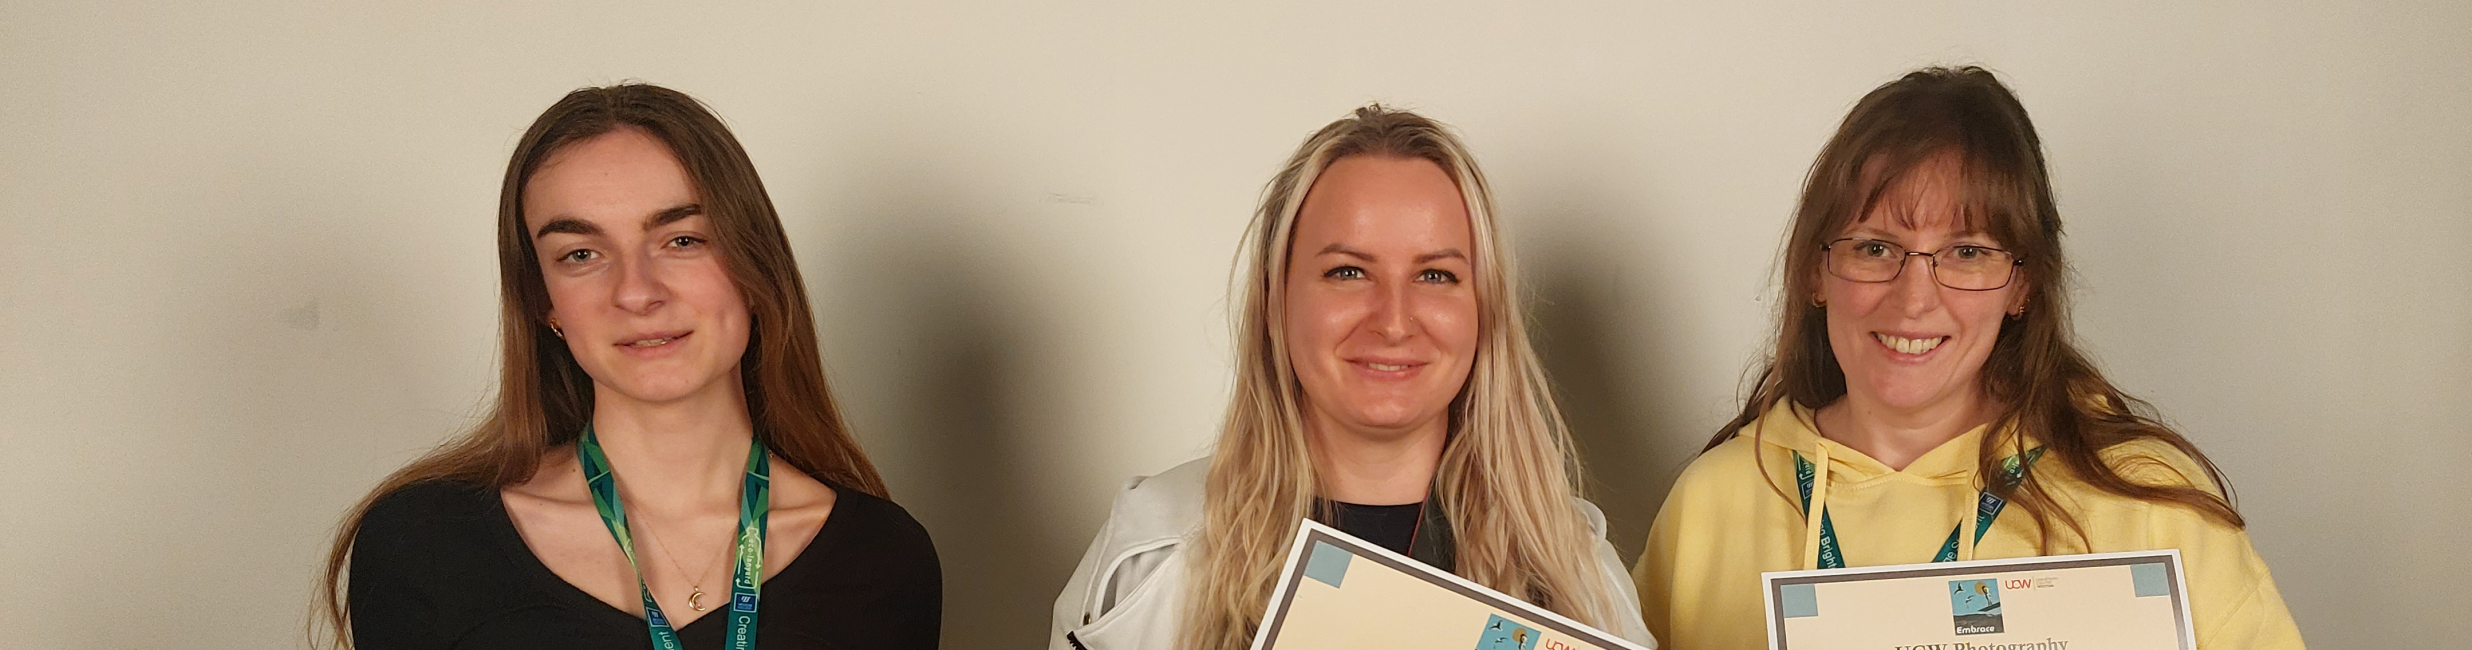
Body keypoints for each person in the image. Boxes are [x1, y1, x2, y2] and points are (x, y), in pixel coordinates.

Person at [1633, 67, 2303, 650]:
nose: (1914, 300)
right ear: (1816, 271)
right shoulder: (1711, 504)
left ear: (2022, 284)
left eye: (1966, 252)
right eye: (1874, 248)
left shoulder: (2149, 501)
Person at [312, 83, 940, 650]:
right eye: (581, 254)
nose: (636, 292)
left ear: (754, 267)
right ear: (542, 299)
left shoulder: (883, 559)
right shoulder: (426, 543)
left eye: (683, 240)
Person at [1048, 106, 1655, 650]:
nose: (1394, 321)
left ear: (1485, 309)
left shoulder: (1575, 573)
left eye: (1436, 275)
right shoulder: (1149, 558)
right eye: (1348, 272)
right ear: (1275, 299)